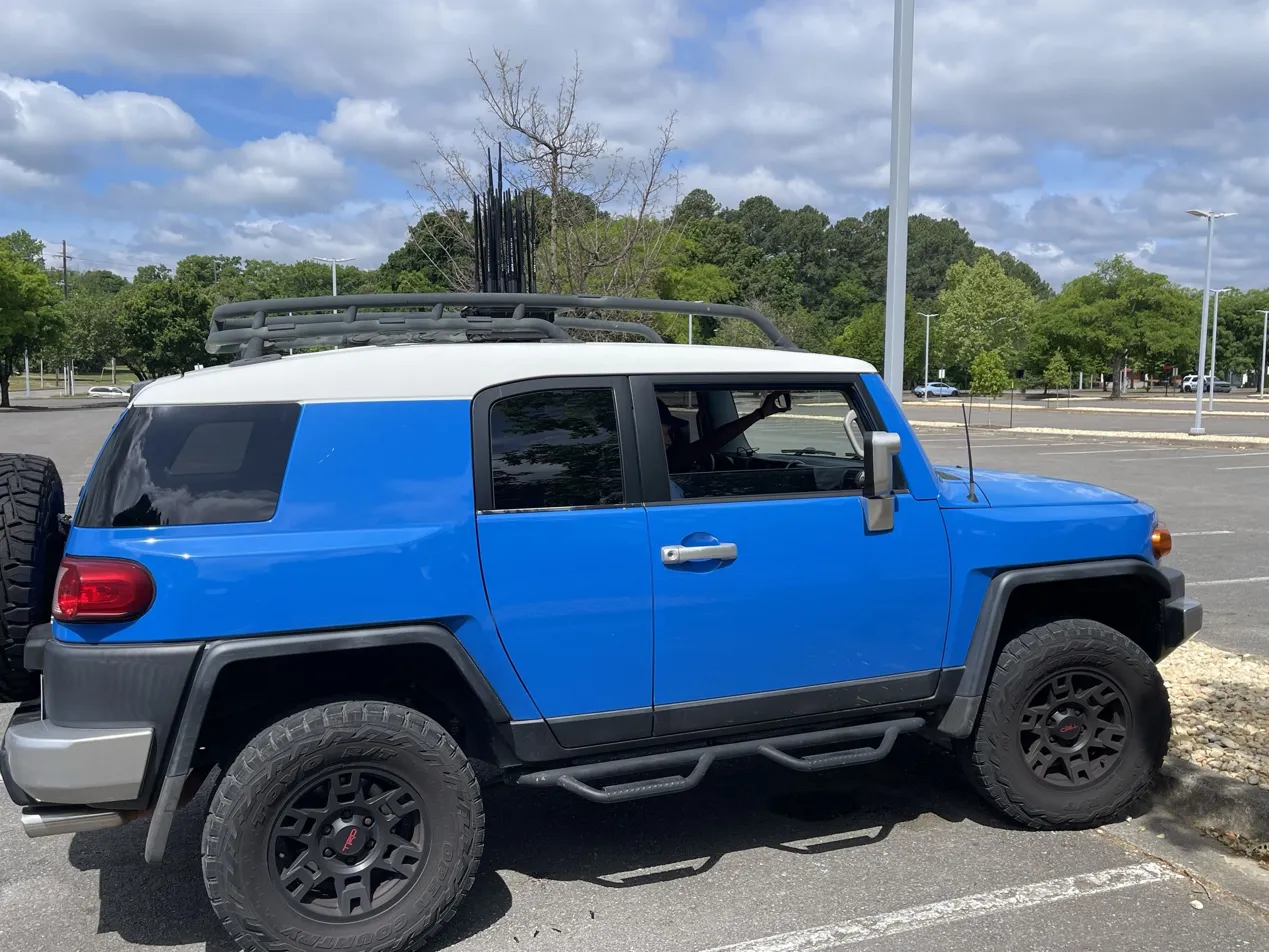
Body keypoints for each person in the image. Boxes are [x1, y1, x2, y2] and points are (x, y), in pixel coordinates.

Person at [659, 391, 791, 497]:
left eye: (669, 435)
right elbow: (710, 443)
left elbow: (711, 442)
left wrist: (760, 413)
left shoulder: (663, 463)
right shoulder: (659, 471)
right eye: (664, 434)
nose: (669, 441)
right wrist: (759, 414)